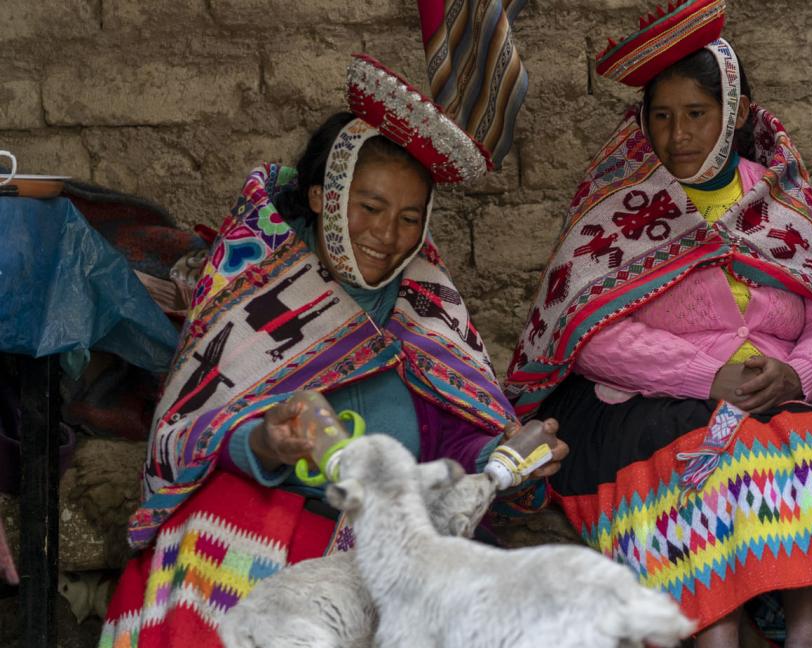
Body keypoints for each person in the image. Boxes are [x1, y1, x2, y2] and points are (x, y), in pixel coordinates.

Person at [100, 54, 565, 647]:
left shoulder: (425, 312)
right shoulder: (258, 297)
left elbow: (454, 438)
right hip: (260, 516)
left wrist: (502, 453)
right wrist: (266, 441)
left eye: (407, 219)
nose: (385, 234)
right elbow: (191, 428)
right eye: (369, 208)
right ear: (322, 196)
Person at [504, 1, 812, 645]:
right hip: (646, 406)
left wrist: (795, 373)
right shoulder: (622, 207)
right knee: (724, 455)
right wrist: (705, 375)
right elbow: (587, 331)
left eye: (696, 114)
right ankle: (718, 632)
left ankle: (808, 634)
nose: (677, 134)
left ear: (737, 115)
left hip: (774, 399)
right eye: (660, 116)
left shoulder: (777, 199)